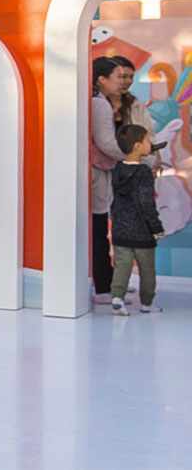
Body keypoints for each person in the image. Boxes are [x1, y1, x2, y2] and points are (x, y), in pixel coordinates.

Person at [110, 124, 166, 316]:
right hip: (142, 232)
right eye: (146, 140)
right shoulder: (143, 173)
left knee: (122, 267)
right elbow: (146, 204)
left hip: (120, 230)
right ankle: (147, 303)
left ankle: (117, 298)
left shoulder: (117, 170)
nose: (149, 143)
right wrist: (156, 228)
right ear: (136, 146)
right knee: (147, 269)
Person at [91, 57, 128, 304]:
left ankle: (107, 282)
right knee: (98, 229)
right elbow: (105, 143)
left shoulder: (98, 101)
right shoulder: (100, 104)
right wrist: (133, 157)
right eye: (119, 76)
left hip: (98, 172)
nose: (123, 82)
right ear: (101, 79)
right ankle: (104, 285)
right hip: (97, 173)